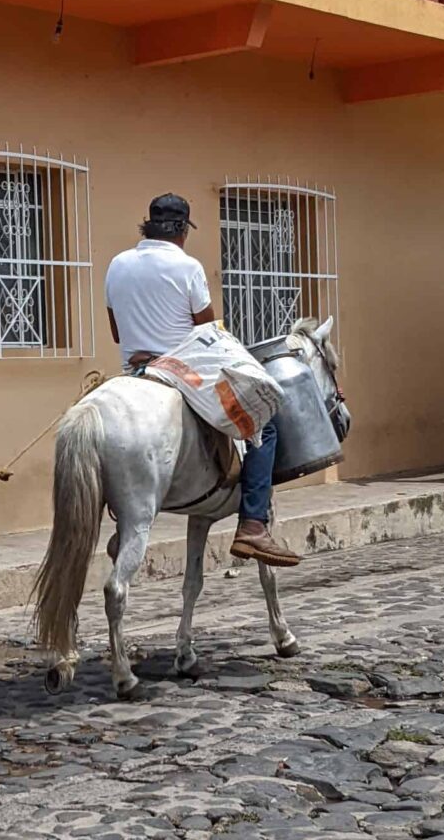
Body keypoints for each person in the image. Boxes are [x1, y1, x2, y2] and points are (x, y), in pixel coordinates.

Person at [104, 192, 300, 569]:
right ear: (181, 230)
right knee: (265, 426)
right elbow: (207, 332)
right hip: (182, 373)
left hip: (134, 370)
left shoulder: (117, 264)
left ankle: (122, 519)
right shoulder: (188, 267)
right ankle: (254, 524)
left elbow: (116, 332)